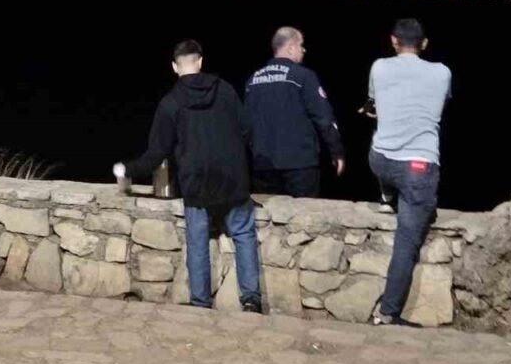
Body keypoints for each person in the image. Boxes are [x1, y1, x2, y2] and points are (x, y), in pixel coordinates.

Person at [113, 40, 262, 312]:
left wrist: (126, 169)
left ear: (174, 66)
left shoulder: (170, 103)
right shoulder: (225, 90)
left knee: (197, 241)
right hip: (233, 179)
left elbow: (156, 154)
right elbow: (247, 129)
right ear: (200, 61)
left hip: (196, 183)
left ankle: (200, 302)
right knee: (243, 234)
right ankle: (251, 300)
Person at [366, 19, 451, 327]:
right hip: (418, 167)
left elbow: (373, 103)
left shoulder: (379, 67)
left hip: (381, 162)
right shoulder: (442, 72)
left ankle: (386, 195)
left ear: (393, 41)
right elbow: (439, 105)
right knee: (406, 243)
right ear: (424, 44)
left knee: (380, 151)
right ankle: (388, 313)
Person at [244, 26, 345, 197]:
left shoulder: (252, 80)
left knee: (269, 211)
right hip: (300, 165)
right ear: (291, 48)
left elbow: (245, 124)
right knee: (304, 211)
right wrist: (336, 151)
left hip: (263, 164)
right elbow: (323, 117)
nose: (304, 50)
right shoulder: (303, 76)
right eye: (301, 45)